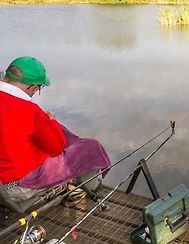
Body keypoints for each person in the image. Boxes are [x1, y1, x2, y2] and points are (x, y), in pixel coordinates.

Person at [0, 56, 111, 203]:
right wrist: (51, 122)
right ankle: (89, 188)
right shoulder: (30, 111)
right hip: (17, 187)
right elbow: (55, 149)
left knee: (60, 131)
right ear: (32, 87)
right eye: (39, 88)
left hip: (4, 181)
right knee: (90, 147)